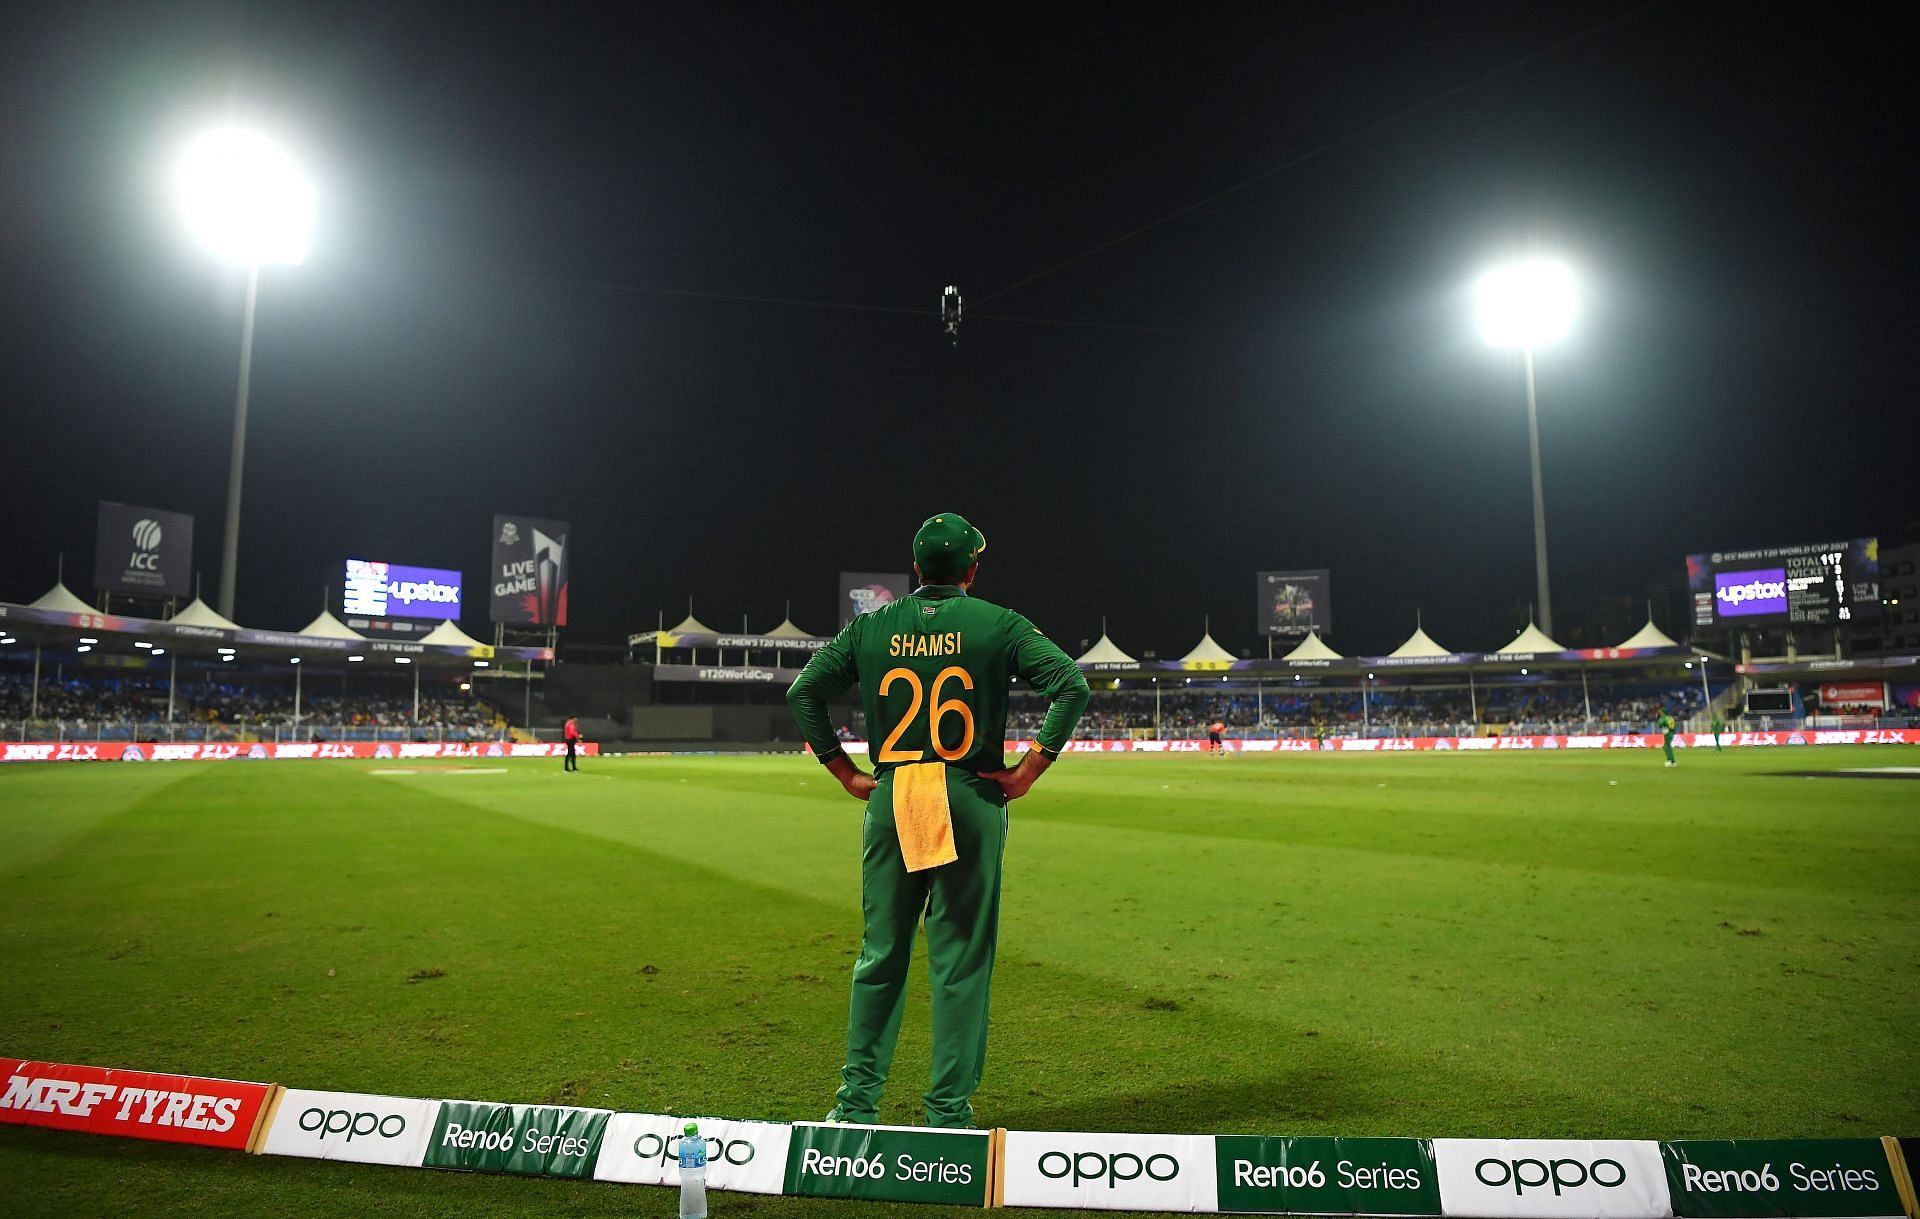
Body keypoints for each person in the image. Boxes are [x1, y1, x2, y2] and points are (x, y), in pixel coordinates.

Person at [786, 512, 1089, 1129]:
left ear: (916, 568)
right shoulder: (998, 623)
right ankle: (947, 1114)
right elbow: (1071, 686)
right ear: (973, 569)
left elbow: (804, 693)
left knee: (881, 954)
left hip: (897, 795)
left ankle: (854, 1107)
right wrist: (1028, 770)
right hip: (967, 792)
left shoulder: (872, 626)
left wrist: (846, 773)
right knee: (960, 958)